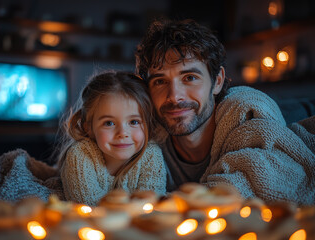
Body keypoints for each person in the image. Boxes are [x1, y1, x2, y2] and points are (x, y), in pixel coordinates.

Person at [135, 18, 315, 205]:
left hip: (294, 111)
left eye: (189, 77)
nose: (174, 96)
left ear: (218, 81)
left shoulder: (246, 115)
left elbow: (254, 177)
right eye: (160, 81)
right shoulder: (144, 136)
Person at [57, 71, 167, 206]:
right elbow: (90, 209)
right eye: (109, 123)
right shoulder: (80, 155)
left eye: (134, 122)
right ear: (88, 128)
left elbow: (150, 205)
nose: (122, 133)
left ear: (149, 124)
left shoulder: (151, 154)